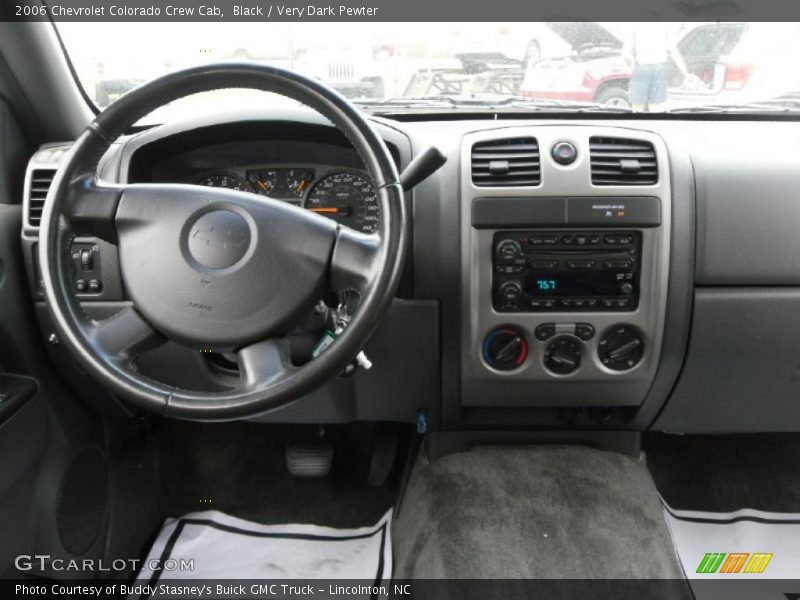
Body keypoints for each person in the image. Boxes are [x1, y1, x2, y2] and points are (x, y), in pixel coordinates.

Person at [626, 23, 689, 112]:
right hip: (659, 69)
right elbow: (674, 53)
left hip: (642, 68)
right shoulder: (665, 27)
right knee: (655, 106)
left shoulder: (635, 26)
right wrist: (686, 74)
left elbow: (625, 53)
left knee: (638, 105)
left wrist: (631, 64)